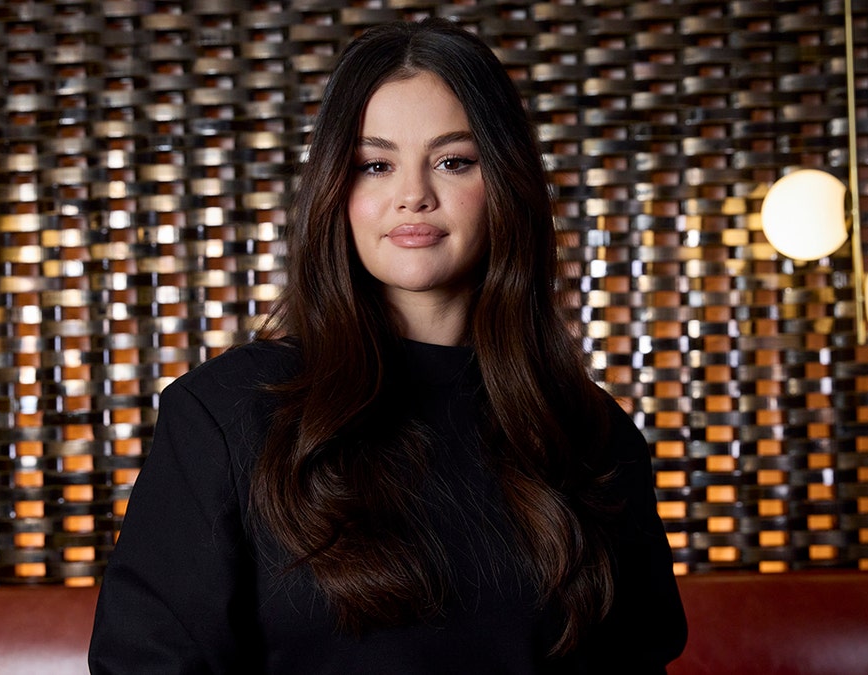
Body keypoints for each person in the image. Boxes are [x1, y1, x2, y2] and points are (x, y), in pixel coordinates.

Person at [89, 17, 687, 674]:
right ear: (336, 192)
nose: (413, 196)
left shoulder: (591, 433)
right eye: (375, 165)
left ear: (506, 183)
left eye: (453, 161)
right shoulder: (224, 413)